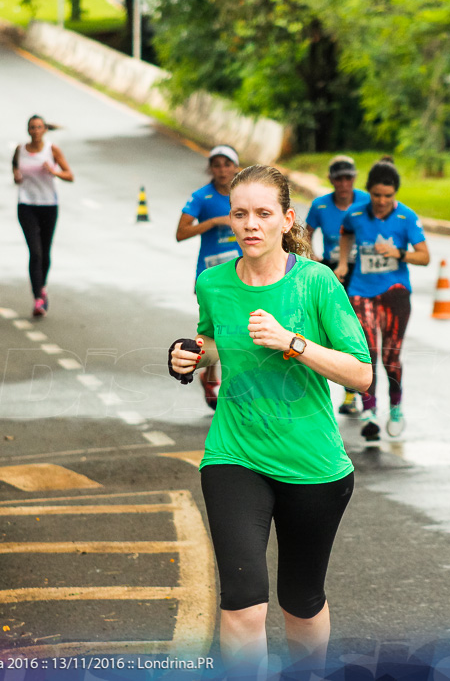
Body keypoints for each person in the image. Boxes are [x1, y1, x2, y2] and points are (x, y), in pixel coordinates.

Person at [168, 165, 371, 677]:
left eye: (262, 213)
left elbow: (362, 375)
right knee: (241, 600)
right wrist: (191, 354)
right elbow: (215, 342)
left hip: (313, 465)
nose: (250, 224)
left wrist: (293, 343)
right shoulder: (212, 283)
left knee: (300, 602)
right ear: (229, 220)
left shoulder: (316, 283)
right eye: (240, 214)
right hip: (235, 454)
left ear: (286, 219)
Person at [335, 157, 430, 440]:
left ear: (395, 194)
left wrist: (398, 254)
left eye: (388, 196)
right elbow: (345, 235)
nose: (381, 201)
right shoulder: (355, 214)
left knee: (390, 356)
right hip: (361, 292)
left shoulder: (406, 218)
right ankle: (370, 412)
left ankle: (396, 407)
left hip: (395, 293)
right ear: (369, 192)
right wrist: (342, 263)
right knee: (368, 353)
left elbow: (424, 256)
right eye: (376, 195)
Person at [176, 145, 243, 410]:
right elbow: (181, 232)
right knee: (216, 328)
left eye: (227, 164)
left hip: (241, 274)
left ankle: (217, 377)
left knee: (237, 328)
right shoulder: (201, 197)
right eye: (217, 165)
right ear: (210, 169)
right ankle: (212, 375)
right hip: (210, 276)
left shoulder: (243, 196)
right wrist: (214, 222)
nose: (222, 170)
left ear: (236, 167)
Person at [306, 155, 370, 416]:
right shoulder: (320, 206)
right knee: (333, 327)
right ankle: (342, 391)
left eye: (348, 177)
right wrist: (313, 257)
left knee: (359, 325)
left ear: (354, 178)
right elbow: (305, 233)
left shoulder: (367, 200)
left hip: (363, 268)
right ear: (331, 180)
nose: (344, 183)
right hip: (333, 267)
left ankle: (355, 391)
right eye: (339, 178)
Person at [12, 115, 74, 317]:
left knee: (45, 252)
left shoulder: (52, 149)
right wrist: (16, 175)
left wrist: (54, 172)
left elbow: (70, 175)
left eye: (39, 127)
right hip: (26, 205)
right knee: (35, 252)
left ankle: (42, 286)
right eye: (32, 127)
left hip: (48, 205)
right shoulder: (20, 150)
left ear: (44, 130)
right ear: (28, 130)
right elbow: (15, 165)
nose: (36, 130)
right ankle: (38, 297)